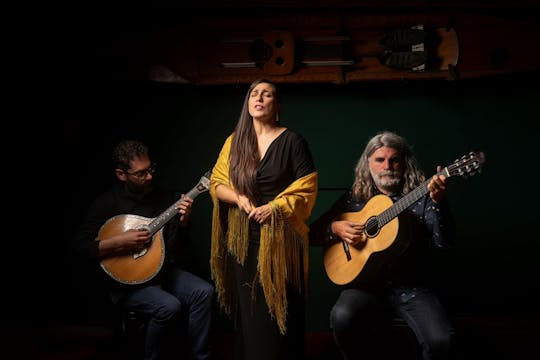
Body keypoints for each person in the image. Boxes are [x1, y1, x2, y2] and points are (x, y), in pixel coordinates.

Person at [310, 131, 456, 360]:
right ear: (368, 164)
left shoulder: (423, 195)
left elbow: (444, 242)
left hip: (413, 288)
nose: (387, 166)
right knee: (342, 315)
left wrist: (439, 203)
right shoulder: (354, 198)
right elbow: (312, 235)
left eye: (394, 160)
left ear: (404, 163)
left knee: (441, 342)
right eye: (380, 160)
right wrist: (335, 228)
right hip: (365, 288)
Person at [72, 139, 214, 360]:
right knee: (169, 306)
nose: (149, 177)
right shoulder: (107, 203)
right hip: (125, 283)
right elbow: (80, 246)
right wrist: (120, 242)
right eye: (140, 173)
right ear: (121, 174)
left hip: (161, 271)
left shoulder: (164, 198)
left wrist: (184, 222)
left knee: (203, 292)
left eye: (150, 170)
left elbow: (176, 248)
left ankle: (201, 357)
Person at [209, 78, 318, 360]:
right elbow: (217, 184)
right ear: (248, 103)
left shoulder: (293, 141)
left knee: (279, 314)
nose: (259, 98)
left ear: (276, 104)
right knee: (252, 317)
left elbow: (307, 188)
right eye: (254, 94)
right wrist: (239, 198)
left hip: (280, 240)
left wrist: (276, 206)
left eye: (266, 94)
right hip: (243, 240)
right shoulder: (234, 141)